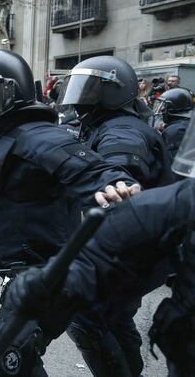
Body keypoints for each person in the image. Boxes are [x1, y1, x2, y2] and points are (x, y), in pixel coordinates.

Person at [0, 50, 139, 377]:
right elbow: (12, 215)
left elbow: (91, 169)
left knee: (5, 362)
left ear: (9, 94)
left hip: (50, 277)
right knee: (21, 362)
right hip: (38, 276)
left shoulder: (35, 135)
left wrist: (115, 184)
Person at [5, 114, 195, 377]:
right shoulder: (178, 201)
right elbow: (97, 259)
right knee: (108, 317)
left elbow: (115, 166)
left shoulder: (122, 130)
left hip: (141, 256)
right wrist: (51, 284)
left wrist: (115, 184)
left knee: (93, 320)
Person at [58, 56, 175, 375]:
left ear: (114, 91)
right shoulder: (109, 124)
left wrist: (115, 185)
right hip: (145, 247)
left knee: (83, 315)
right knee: (114, 313)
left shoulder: (120, 131)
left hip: (136, 250)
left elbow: (120, 171)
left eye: (93, 89)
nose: (84, 96)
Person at [156, 87, 194, 160]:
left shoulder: (175, 131)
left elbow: (170, 161)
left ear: (174, 106)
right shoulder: (189, 121)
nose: (162, 109)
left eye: (165, 106)